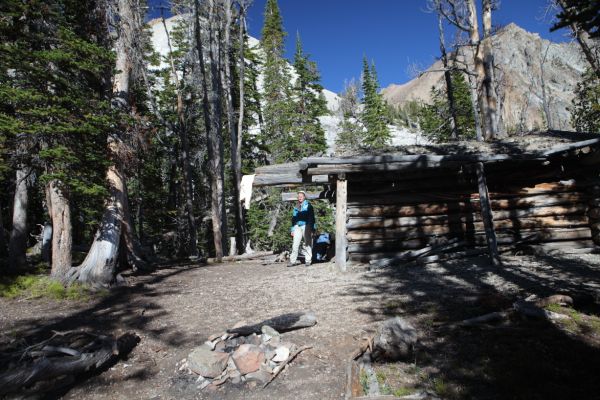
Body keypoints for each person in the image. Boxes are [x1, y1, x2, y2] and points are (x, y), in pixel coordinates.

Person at [288, 191, 315, 267]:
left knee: (307, 243)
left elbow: (312, 218)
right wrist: (292, 229)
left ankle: (308, 260)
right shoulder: (296, 206)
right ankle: (292, 261)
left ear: (304, 197)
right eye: (298, 196)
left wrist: (312, 228)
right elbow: (293, 219)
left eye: (301, 196)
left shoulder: (308, 206)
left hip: (306, 226)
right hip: (297, 226)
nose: (299, 197)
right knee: (295, 244)